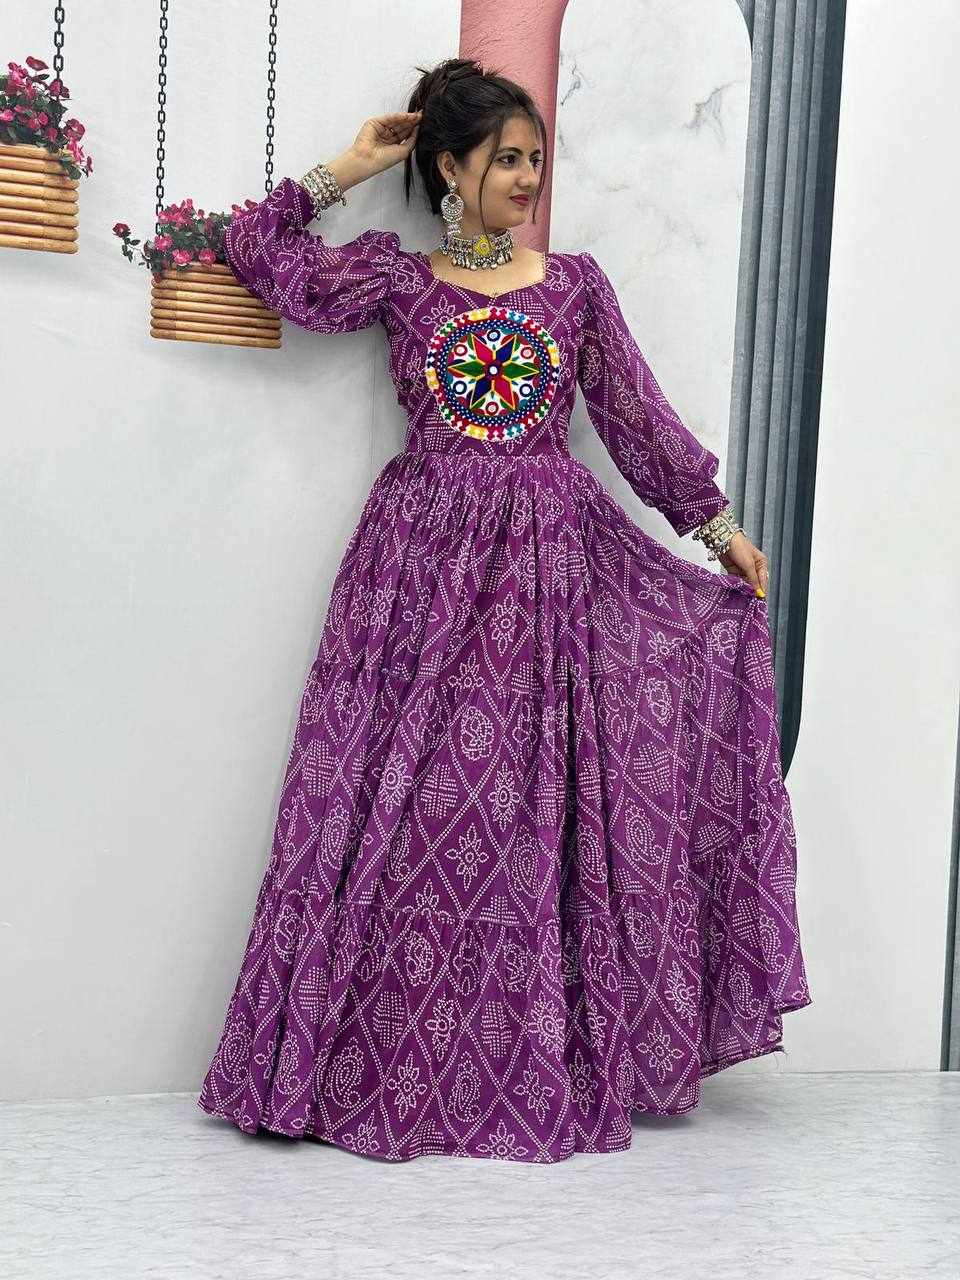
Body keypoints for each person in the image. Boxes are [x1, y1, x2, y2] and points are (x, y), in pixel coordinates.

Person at [197, 58, 811, 1164]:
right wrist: (349, 166)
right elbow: (257, 249)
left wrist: (716, 528)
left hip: (545, 579)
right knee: (399, 810)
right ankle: (357, 1061)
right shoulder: (398, 281)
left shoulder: (572, 285)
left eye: (536, 159)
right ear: (450, 166)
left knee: (521, 815)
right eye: (507, 159)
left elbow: (634, 418)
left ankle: (528, 1059)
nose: (529, 178)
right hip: (414, 578)